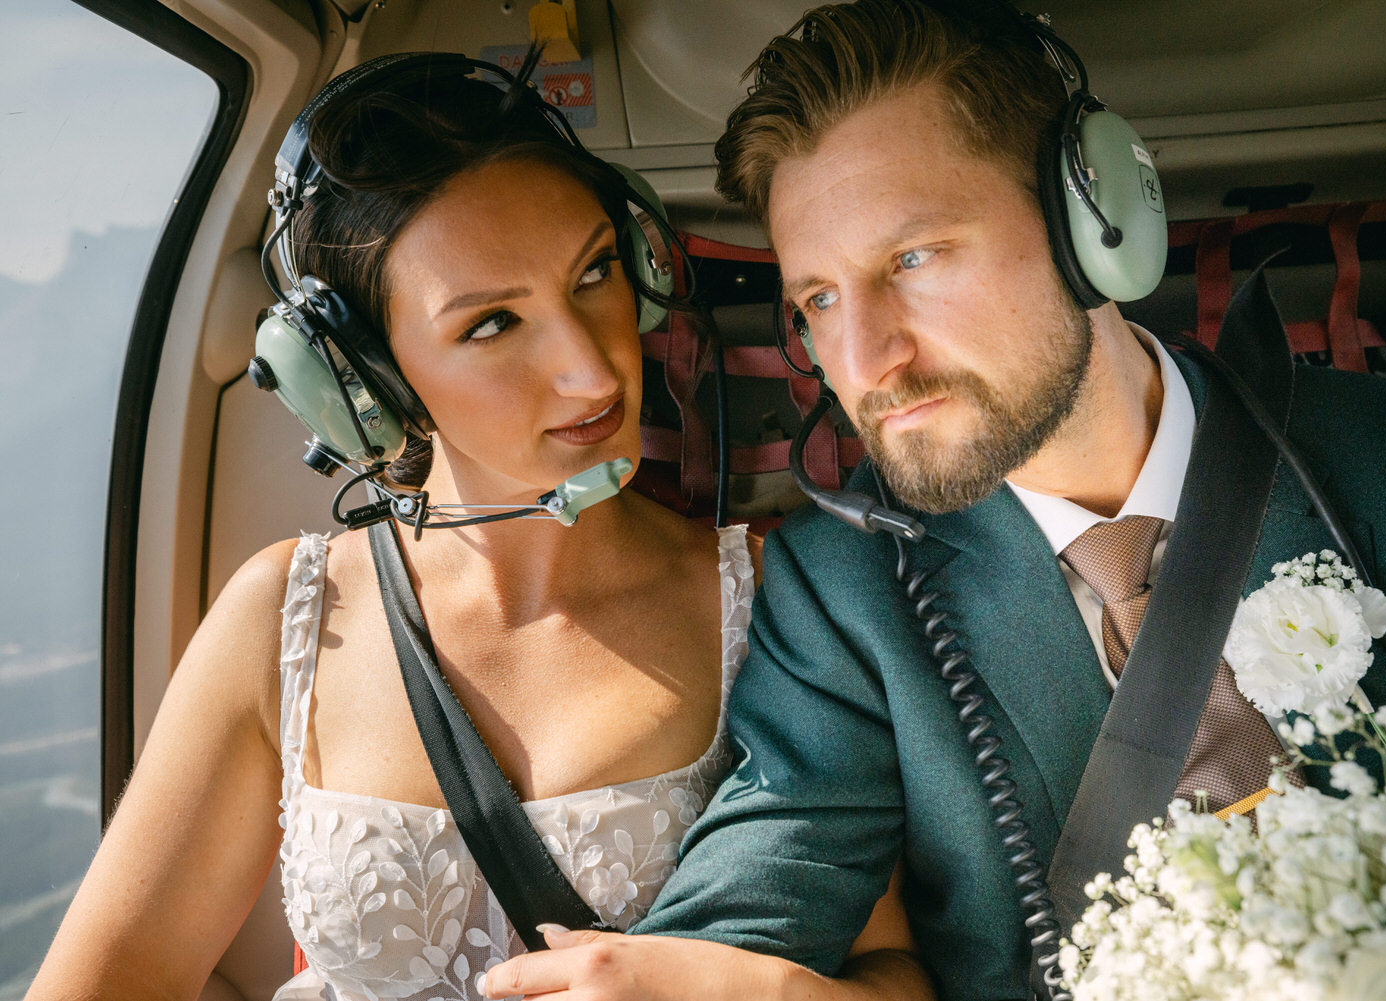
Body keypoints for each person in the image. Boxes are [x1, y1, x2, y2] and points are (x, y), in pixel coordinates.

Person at [483, 2, 1386, 999]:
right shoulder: (843, 592)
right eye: (818, 301)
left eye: (911, 259)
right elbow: (766, 871)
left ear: (1089, 219)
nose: (863, 361)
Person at [23, 55, 934, 1001]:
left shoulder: (773, 600)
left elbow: (891, 972)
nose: (592, 368)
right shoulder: (283, 616)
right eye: (493, 324)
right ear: (367, 380)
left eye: (594, 272)